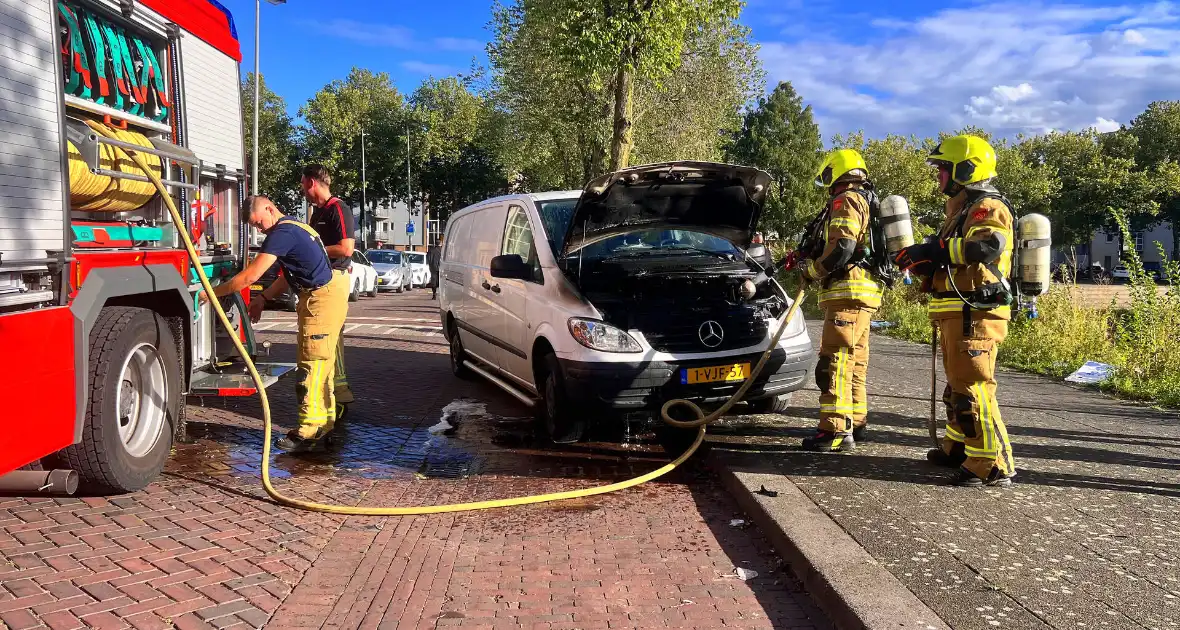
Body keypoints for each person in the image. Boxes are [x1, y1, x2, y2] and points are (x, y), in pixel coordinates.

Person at [894, 134, 1016, 488]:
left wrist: (935, 251)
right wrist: (923, 261)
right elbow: (950, 257)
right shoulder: (961, 211)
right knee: (957, 388)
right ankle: (960, 448)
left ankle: (992, 464)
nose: (939, 177)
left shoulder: (987, 207)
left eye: (943, 169)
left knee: (974, 388)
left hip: (975, 312)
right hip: (957, 311)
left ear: (964, 169)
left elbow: (986, 247)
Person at [200, 196, 349, 451]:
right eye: (256, 227)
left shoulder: (281, 233)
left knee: (311, 364)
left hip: (321, 298)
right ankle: (325, 423)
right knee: (323, 364)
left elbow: (250, 276)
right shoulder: (296, 227)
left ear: (269, 208)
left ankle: (308, 431)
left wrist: (210, 293)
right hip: (329, 292)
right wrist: (263, 298)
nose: (261, 230)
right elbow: (288, 275)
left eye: (259, 223)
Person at [797, 149, 883, 452]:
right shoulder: (866, 199)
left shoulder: (845, 200)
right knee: (855, 362)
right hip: (864, 292)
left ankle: (833, 429)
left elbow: (842, 248)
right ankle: (855, 420)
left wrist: (812, 270)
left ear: (835, 172)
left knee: (834, 362)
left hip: (847, 291)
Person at [301, 165, 356, 416]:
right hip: (319, 280)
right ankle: (335, 393)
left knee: (329, 340)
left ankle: (338, 395)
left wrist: (315, 250)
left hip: (332, 280)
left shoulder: (338, 209)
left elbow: (346, 249)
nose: (303, 191)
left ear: (312, 182)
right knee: (327, 341)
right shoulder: (318, 213)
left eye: (303, 184)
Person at [427, 234, 444, 299]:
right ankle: (441, 294)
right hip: (441, 268)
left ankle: (434, 294)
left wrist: (430, 266)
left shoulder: (431, 250)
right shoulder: (442, 251)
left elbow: (428, 259)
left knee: (434, 281)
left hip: (433, 268)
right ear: (441, 243)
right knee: (441, 281)